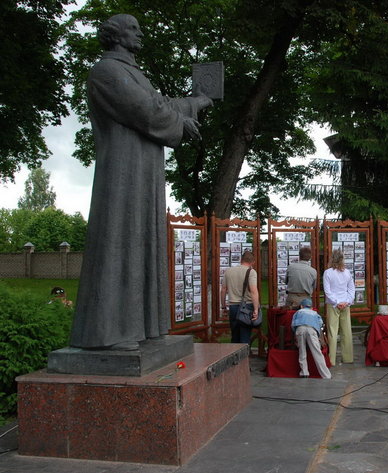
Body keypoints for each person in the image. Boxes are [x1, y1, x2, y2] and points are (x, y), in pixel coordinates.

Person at [70, 14, 213, 350]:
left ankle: (141, 327)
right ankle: (110, 332)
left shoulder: (132, 72)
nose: (140, 33)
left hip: (143, 170)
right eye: (133, 29)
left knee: (142, 241)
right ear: (116, 36)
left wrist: (195, 103)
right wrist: (181, 122)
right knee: (120, 238)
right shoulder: (106, 71)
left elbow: (158, 104)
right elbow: (144, 111)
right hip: (122, 172)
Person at [323, 249, 355, 366]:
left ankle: (332, 359)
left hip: (333, 304)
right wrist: (347, 301)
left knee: (332, 331)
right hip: (345, 304)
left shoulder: (327, 272)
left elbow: (327, 291)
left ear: (332, 259)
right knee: (346, 331)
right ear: (342, 260)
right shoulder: (347, 272)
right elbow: (351, 289)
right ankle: (348, 357)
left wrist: (336, 302)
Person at [220, 251, 260, 344]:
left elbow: (223, 290)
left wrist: (223, 306)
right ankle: (244, 357)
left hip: (233, 306)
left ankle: (235, 357)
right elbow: (254, 291)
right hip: (247, 306)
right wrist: (256, 309)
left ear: (241, 260)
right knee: (245, 336)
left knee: (235, 335)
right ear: (253, 262)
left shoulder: (229, 271)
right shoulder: (251, 272)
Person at [291, 298, 331, 379]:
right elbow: (320, 324)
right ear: (311, 307)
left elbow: (293, 324)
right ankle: (326, 375)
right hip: (311, 330)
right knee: (317, 352)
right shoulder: (315, 313)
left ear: (302, 306)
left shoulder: (298, 312)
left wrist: (295, 333)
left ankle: (304, 373)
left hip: (300, 329)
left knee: (302, 351)